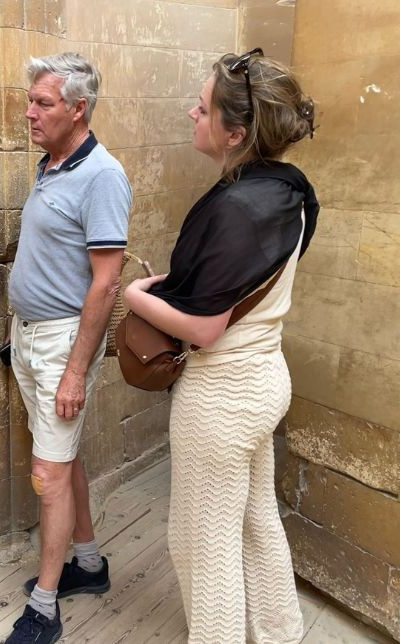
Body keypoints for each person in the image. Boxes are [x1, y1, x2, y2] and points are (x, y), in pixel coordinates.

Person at [123, 49, 318, 644]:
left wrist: (134, 295)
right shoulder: (288, 189)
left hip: (223, 396)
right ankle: (280, 633)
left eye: (202, 108)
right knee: (257, 523)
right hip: (264, 381)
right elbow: (234, 294)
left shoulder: (238, 207)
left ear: (236, 133)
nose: (191, 112)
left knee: (201, 543)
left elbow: (204, 328)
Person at [4, 52, 132, 644]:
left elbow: (106, 282)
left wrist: (76, 372)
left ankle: (45, 606)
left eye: (43, 103)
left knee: (46, 475)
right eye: (30, 100)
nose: (29, 112)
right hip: (29, 336)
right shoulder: (53, 164)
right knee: (65, 456)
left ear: (79, 109)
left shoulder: (103, 175)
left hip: (62, 345)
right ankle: (88, 564)